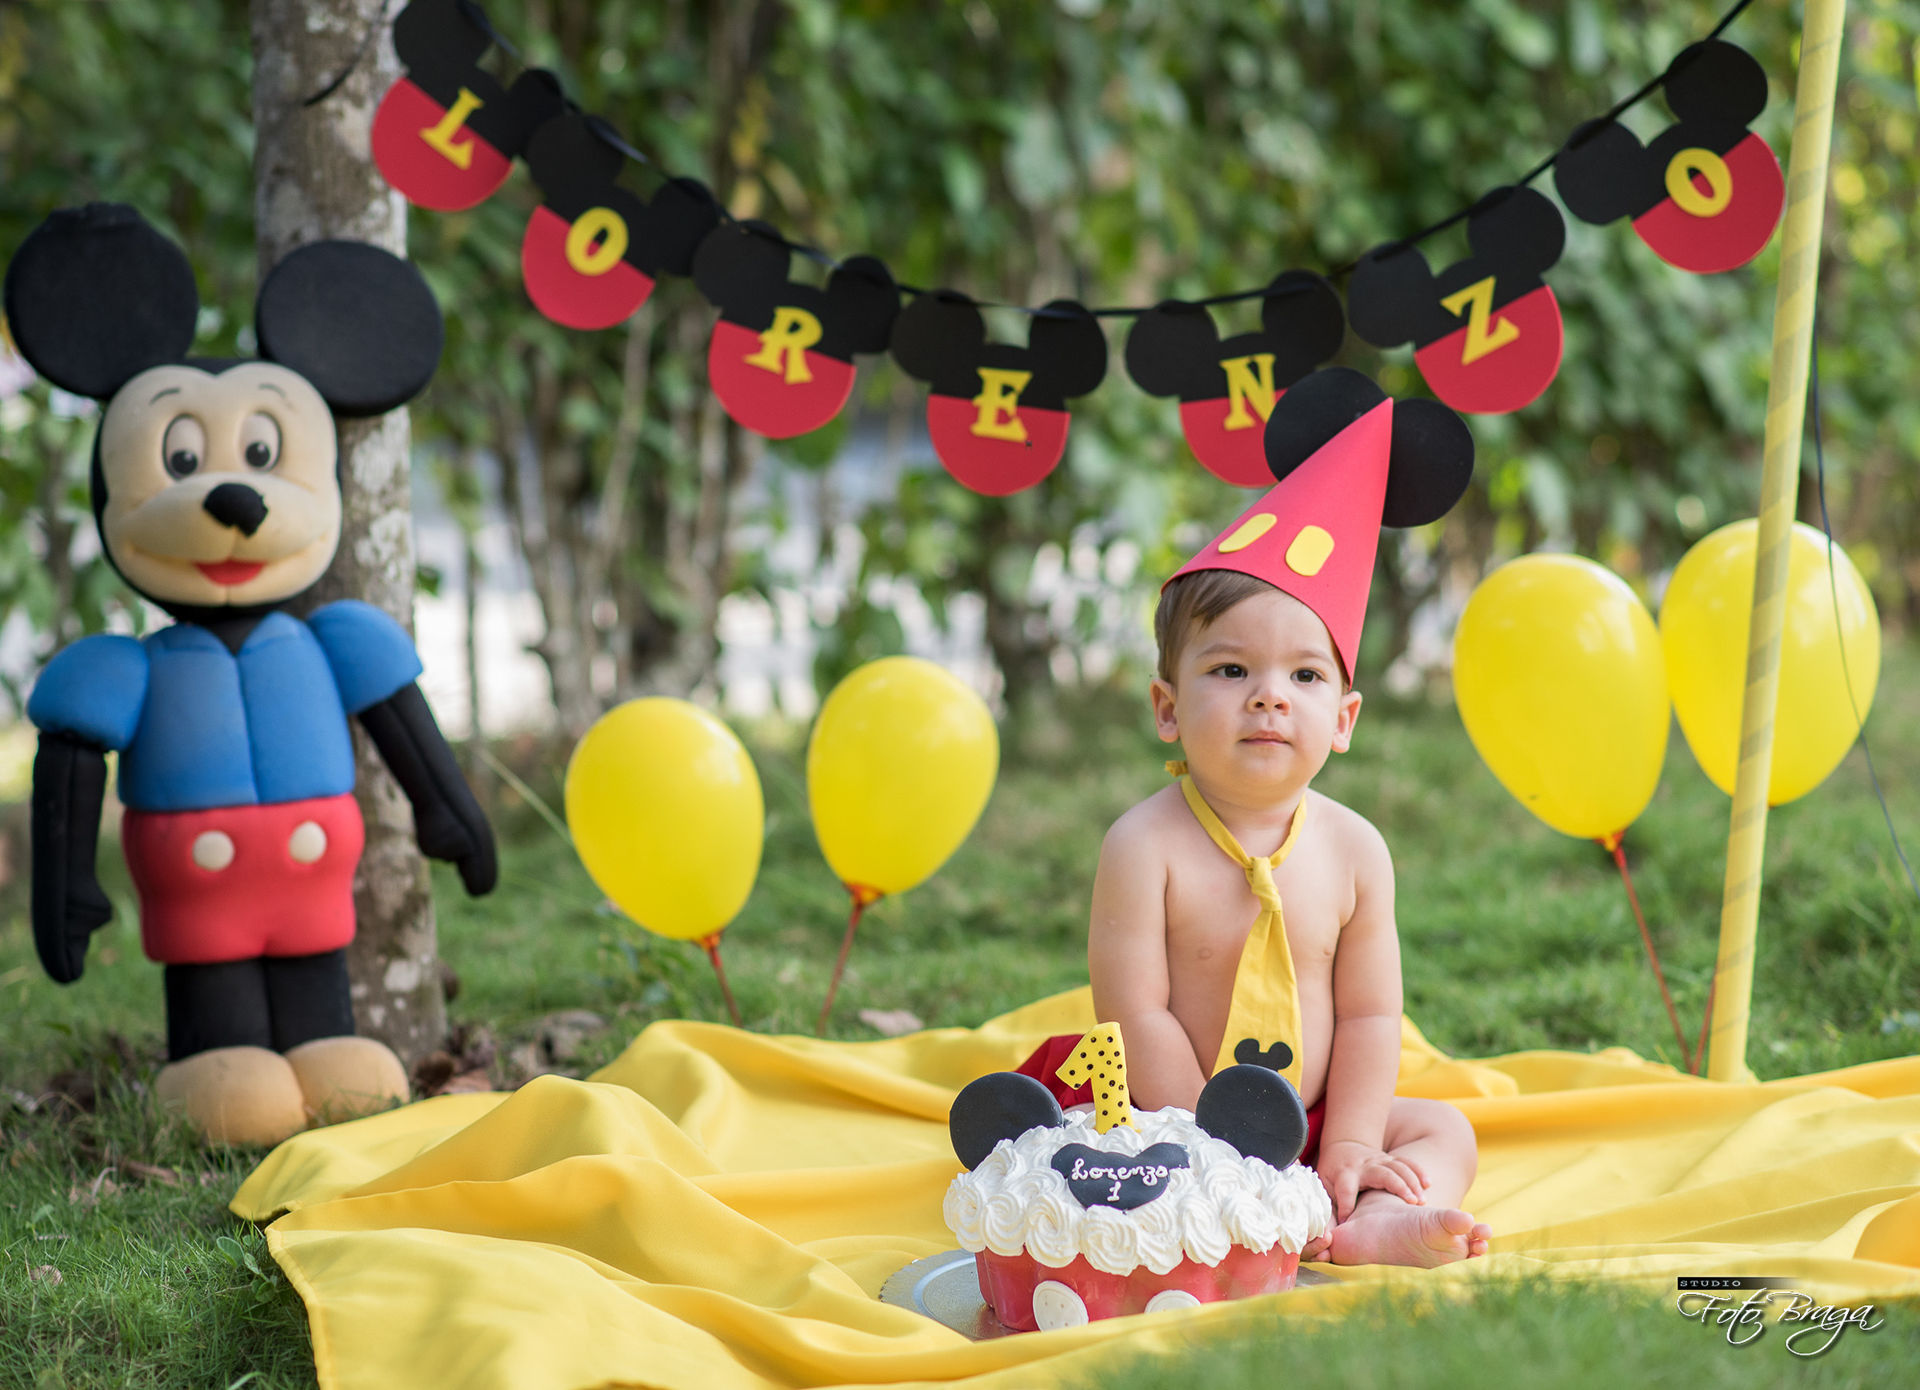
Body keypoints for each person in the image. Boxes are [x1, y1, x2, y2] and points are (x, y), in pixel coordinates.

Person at [1020, 368, 1488, 1266]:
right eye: (1231, 671)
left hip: (1312, 1119)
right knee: (1071, 1152)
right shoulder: (1143, 846)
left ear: (1343, 719)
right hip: (1167, 1117)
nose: (1269, 696)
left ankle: (1364, 1217)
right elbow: (1135, 1014)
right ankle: (1245, 1212)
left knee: (1444, 1131)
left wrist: (1349, 1144)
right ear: (1167, 707)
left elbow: (1369, 1017)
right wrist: (1212, 1151)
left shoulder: (1356, 851)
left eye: (1304, 676)